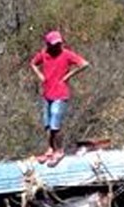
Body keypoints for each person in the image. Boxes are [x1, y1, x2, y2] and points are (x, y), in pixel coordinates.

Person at [30, 30, 89, 165]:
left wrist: (68, 76)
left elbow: (84, 64)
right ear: (48, 44)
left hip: (61, 94)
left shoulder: (66, 54)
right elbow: (33, 63)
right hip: (47, 93)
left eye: (59, 43)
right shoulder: (44, 54)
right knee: (47, 124)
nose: (57, 46)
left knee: (55, 124)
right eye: (54, 44)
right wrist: (40, 75)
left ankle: (59, 150)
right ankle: (50, 149)